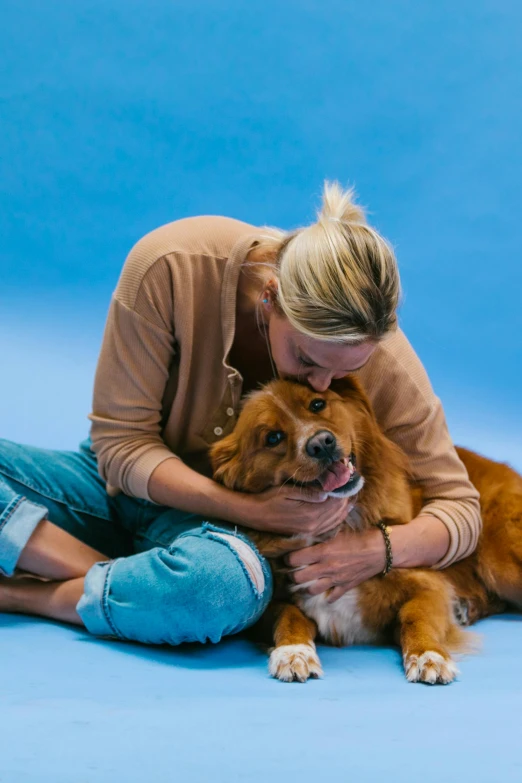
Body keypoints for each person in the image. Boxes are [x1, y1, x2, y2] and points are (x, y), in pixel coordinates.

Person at [0, 181, 481, 645]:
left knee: (217, 589)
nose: (320, 384)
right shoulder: (170, 266)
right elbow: (120, 445)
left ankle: (30, 594)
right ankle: (111, 578)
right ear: (270, 296)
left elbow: (459, 506)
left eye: (342, 375)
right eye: (307, 361)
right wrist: (251, 508)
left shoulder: (379, 351)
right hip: (114, 490)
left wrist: (376, 551)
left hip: (224, 543)